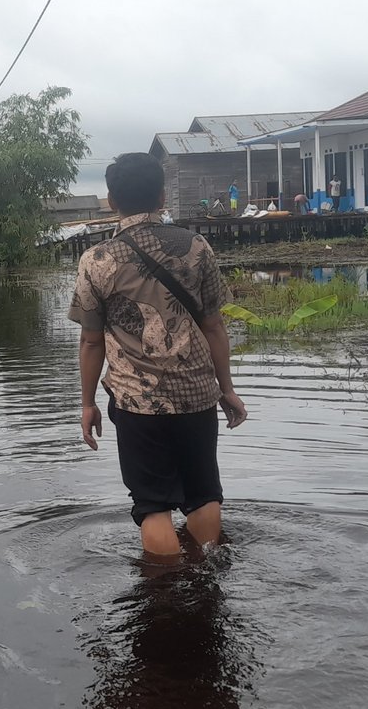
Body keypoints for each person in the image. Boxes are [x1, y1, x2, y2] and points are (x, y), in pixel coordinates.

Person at [70, 153, 248, 558]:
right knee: (204, 496)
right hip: (197, 396)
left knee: (153, 507)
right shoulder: (196, 247)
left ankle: (165, 596)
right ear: (163, 195)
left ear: (112, 200)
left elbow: (92, 341)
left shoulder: (97, 260)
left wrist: (86, 403)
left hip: (137, 403)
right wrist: (228, 389)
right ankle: (206, 582)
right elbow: (214, 325)